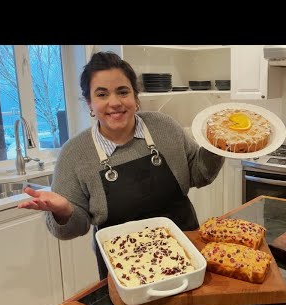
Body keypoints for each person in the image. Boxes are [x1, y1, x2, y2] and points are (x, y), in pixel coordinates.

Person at [18, 51, 224, 280]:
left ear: (136, 97)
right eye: (102, 94)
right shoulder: (74, 154)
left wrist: (220, 144)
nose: (114, 102)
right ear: (89, 103)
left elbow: (199, 174)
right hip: (124, 272)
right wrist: (64, 211)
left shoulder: (164, 127)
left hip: (186, 255)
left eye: (123, 91)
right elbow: (74, 227)